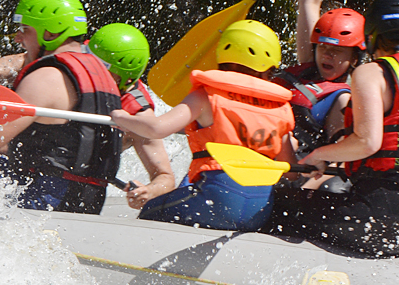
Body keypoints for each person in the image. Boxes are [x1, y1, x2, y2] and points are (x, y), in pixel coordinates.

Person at [267, 0, 399, 258]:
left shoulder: (372, 72)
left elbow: (367, 142)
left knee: (279, 204)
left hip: (377, 216)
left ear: (373, 34)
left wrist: (318, 155)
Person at [110, 20, 296, 231]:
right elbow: (291, 173)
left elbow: (156, 129)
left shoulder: (206, 96)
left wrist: (120, 116)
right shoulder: (281, 108)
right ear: (269, 68)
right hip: (259, 210)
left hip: (217, 201)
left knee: (152, 209)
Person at [0, 0, 123, 214]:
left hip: (46, 196)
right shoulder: (99, 71)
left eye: (25, 30)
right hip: (86, 199)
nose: (17, 38)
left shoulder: (46, 78)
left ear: (50, 33)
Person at [275, 0, 362, 158]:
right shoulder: (308, 63)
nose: (328, 54)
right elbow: (309, 0)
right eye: (323, 47)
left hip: (300, 169)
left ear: (354, 58)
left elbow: (340, 155)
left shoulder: (343, 98)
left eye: (338, 51)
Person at [86, 22, 177, 208]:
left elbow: (165, 177)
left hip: (87, 182)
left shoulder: (138, 115)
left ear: (124, 77)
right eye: (88, 61)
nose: (85, 71)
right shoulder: (79, 55)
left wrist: (148, 191)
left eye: (99, 69)